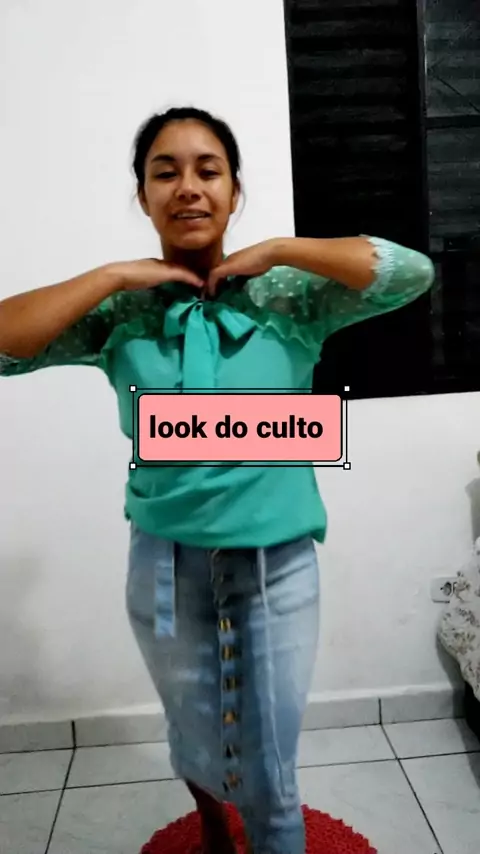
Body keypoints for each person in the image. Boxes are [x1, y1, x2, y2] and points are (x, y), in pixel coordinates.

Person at [0, 106, 435, 854]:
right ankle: (209, 822)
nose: (188, 187)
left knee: (272, 775)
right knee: (193, 724)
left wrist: (280, 248)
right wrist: (112, 275)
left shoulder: (289, 297)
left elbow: (409, 274)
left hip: (277, 569)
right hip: (164, 568)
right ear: (143, 195)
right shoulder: (121, 313)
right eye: (164, 172)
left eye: (209, 170)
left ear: (235, 190)